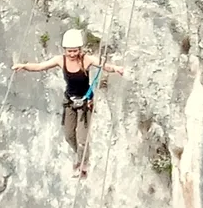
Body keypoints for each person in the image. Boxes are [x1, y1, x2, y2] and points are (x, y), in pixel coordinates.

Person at [14, 28, 125, 177]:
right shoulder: (61, 60)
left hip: (85, 102)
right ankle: (79, 156)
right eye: (69, 51)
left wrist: (116, 69)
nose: (72, 54)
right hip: (70, 102)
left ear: (80, 49)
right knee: (68, 136)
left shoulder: (86, 60)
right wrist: (24, 66)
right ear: (65, 50)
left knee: (82, 139)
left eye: (75, 51)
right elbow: (41, 66)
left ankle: (83, 164)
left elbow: (103, 65)